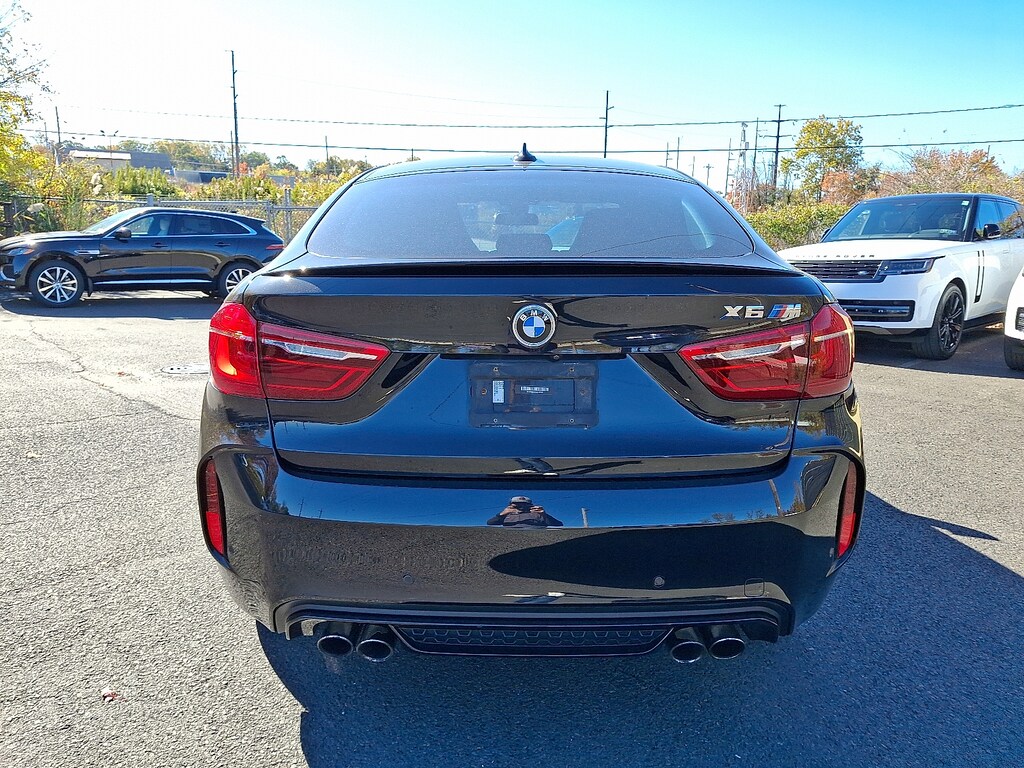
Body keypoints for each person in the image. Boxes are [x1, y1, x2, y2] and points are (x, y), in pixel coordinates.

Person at [487, 496, 563, 527]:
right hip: (509, 538)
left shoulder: (537, 514)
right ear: (511, 505)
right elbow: (490, 523)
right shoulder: (507, 514)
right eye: (517, 504)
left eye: (524, 504)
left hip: (536, 539)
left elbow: (559, 525)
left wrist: (544, 514)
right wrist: (501, 514)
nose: (521, 506)